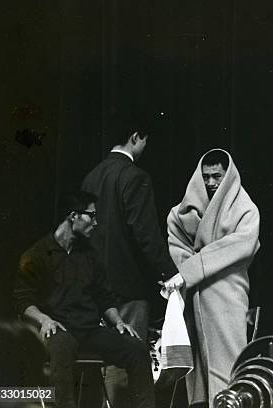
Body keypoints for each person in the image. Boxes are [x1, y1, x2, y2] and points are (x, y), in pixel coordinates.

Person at [12, 191, 155, 408]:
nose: (96, 222)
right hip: (57, 329)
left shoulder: (90, 255)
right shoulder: (37, 254)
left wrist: (118, 322)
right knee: (61, 347)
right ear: (74, 216)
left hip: (88, 329)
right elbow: (23, 301)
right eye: (92, 215)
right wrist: (44, 320)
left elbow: (104, 297)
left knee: (136, 349)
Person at [81, 123, 179, 406]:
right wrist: (169, 272)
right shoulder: (135, 176)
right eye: (145, 140)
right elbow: (146, 234)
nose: (146, 146)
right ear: (136, 136)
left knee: (100, 368)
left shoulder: (91, 177)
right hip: (127, 289)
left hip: (93, 289)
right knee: (125, 369)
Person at [165, 149, 260, 407]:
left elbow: (242, 245)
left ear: (227, 176)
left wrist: (191, 270)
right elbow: (177, 246)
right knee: (197, 369)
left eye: (216, 176)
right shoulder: (181, 212)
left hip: (228, 294)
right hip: (194, 294)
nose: (210, 182)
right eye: (205, 176)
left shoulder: (245, 209)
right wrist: (193, 271)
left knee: (228, 360)